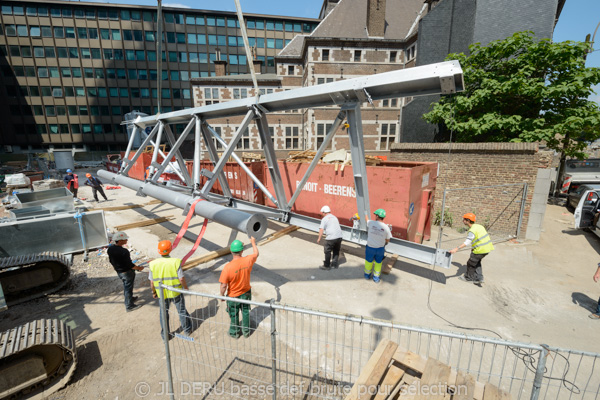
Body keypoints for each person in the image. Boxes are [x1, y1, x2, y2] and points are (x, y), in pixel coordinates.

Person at [149, 240, 193, 339]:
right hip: (176, 292)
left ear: (159, 251)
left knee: (163, 313)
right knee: (181, 310)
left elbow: (152, 282)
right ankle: (187, 330)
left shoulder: (153, 264)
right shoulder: (175, 262)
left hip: (161, 293)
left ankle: (165, 335)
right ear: (170, 249)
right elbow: (181, 278)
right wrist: (185, 288)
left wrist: (154, 292)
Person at [219, 237, 259, 338]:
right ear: (242, 251)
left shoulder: (227, 267)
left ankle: (235, 332)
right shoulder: (248, 260)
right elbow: (256, 253)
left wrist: (222, 295)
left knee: (234, 314)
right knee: (245, 311)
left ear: (231, 251)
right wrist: (253, 242)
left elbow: (223, 285)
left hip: (233, 296)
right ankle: (246, 332)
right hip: (246, 292)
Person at [449, 213, 494, 287]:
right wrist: (473, 247)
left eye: (464, 219)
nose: (463, 220)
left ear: (468, 220)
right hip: (487, 248)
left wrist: (456, 249)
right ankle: (479, 278)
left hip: (480, 250)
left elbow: (467, 242)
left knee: (470, 263)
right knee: (477, 262)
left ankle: (468, 278)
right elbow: (479, 238)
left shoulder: (471, 231)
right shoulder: (479, 226)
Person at [107, 231, 144, 312]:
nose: (126, 240)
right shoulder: (124, 251)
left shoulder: (110, 249)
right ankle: (129, 306)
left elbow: (111, 261)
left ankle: (130, 299)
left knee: (127, 287)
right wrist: (139, 268)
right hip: (127, 272)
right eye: (125, 239)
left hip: (120, 272)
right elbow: (130, 265)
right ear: (120, 241)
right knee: (128, 288)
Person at [364, 209, 392, 283]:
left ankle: (367, 275)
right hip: (380, 249)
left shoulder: (371, 223)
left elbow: (366, 219)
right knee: (378, 263)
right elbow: (388, 240)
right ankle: (376, 278)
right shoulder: (386, 227)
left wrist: (365, 213)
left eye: (375, 215)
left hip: (370, 248)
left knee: (368, 262)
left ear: (377, 216)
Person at [317, 205, 343, 270]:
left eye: (322, 213)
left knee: (327, 250)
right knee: (336, 250)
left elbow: (321, 230)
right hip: (339, 237)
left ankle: (326, 265)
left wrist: (319, 238)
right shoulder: (335, 217)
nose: (322, 214)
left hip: (331, 237)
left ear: (324, 212)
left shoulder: (324, 219)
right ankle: (334, 265)